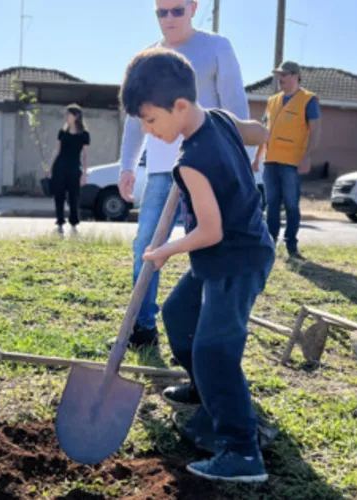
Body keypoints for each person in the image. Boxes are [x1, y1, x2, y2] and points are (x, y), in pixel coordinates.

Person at [121, 47, 274, 484]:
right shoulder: (220, 119)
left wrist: (165, 249)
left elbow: (210, 231)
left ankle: (242, 451)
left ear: (181, 106)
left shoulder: (191, 164)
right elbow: (256, 132)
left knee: (215, 350)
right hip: (227, 252)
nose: (149, 132)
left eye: (151, 121)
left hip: (236, 259)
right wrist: (263, 136)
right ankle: (205, 389)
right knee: (177, 314)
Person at [114, 0, 250, 351]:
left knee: (208, 246)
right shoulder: (148, 57)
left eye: (177, 10)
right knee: (146, 246)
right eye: (162, 12)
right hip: (162, 171)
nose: (169, 18)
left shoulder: (217, 47)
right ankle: (142, 327)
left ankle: (204, 330)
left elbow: (236, 108)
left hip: (208, 167)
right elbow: (134, 119)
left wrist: (243, 160)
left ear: (193, 7)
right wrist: (127, 164)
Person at [252, 60, 321, 260]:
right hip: (271, 161)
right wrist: (258, 157)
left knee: (291, 204)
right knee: (271, 203)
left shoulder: (309, 100)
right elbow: (265, 131)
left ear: (295, 76)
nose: (280, 79)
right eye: (278, 75)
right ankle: (270, 242)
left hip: (292, 162)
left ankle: (292, 245)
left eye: (284, 75)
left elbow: (315, 131)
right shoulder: (272, 101)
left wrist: (307, 156)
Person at [45, 104, 90, 233]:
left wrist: (85, 173)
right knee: (58, 196)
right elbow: (56, 150)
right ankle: (59, 222)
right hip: (59, 168)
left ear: (75, 116)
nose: (65, 117)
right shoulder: (62, 132)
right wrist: (49, 167)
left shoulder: (84, 134)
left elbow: (86, 155)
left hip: (75, 169)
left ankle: (74, 223)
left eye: (68, 114)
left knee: (74, 197)